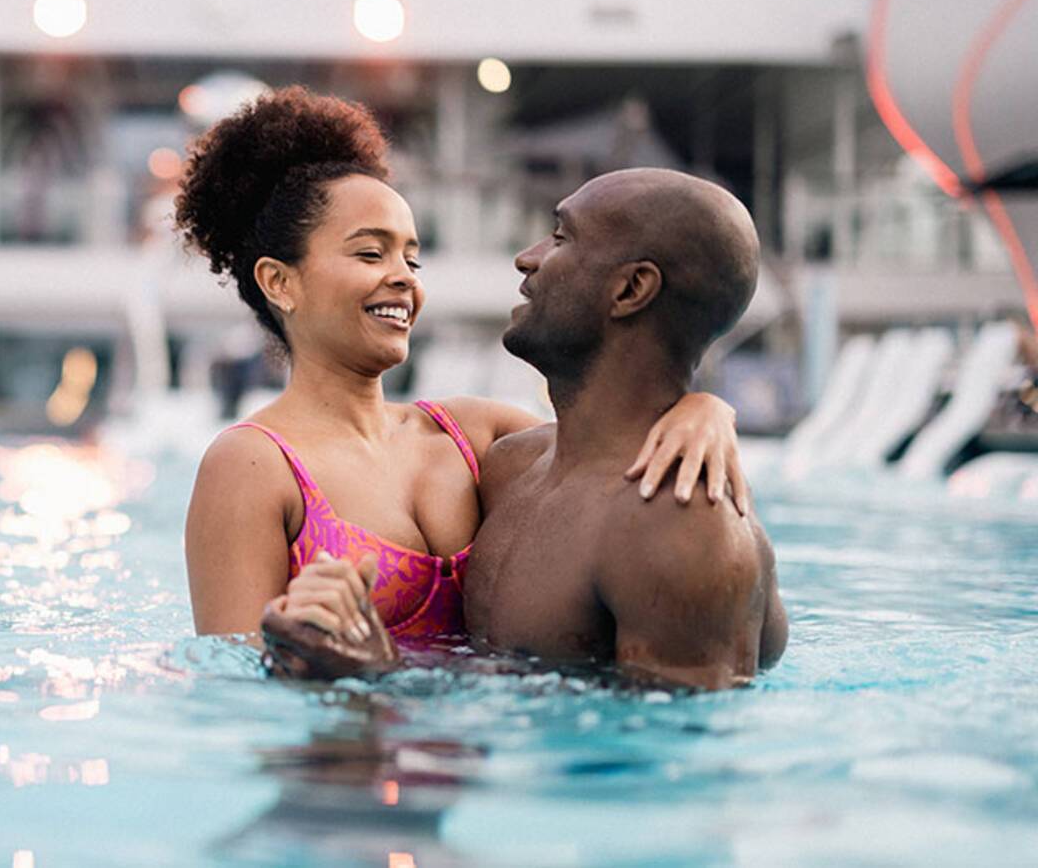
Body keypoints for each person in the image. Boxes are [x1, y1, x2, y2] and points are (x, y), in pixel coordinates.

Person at [181, 88, 749, 655]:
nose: (404, 277)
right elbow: (235, 688)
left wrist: (701, 408)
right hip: (348, 744)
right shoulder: (253, 466)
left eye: (412, 257)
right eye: (370, 254)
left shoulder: (475, 436)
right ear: (280, 282)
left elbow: (604, 450)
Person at [263, 169, 788, 691]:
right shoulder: (509, 467)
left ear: (631, 289)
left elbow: (673, 762)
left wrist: (381, 681)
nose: (527, 257)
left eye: (561, 237)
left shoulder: (680, 526)